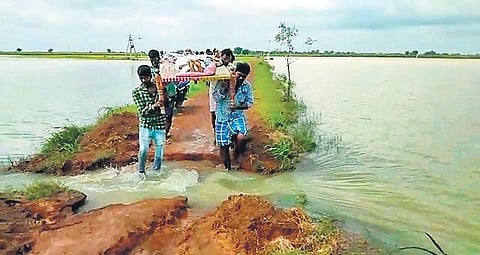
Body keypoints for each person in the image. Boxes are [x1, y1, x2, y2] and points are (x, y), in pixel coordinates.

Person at [132, 65, 167, 180]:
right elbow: (142, 111)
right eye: (141, 78)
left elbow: (170, 98)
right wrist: (154, 106)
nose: (143, 80)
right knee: (143, 150)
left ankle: (157, 172)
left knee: (159, 152)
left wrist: (164, 94)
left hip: (160, 124)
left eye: (145, 77)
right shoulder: (137, 92)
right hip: (146, 125)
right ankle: (141, 172)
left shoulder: (159, 88)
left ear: (150, 76)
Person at [229, 62, 253, 168]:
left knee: (241, 137)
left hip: (238, 115)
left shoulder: (247, 87)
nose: (241, 78)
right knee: (225, 141)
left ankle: (236, 158)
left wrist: (238, 107)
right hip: (225, 116)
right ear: (234, 72)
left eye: (244, 76)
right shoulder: (226, 83)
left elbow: (250, 103)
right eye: (239, 75)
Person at [148, 49, 176, 141]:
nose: (153, 61)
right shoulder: (150, 70)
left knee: (169, 115)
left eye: (155, 58)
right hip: (158, 95)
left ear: (158, 57)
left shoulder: (166, 66)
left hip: (169, 92)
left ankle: (165, 134)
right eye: (151, 59)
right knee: (157, 115)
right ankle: (159, 135)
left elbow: (173, 76)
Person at [209, 48, 235, 145]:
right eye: (225, 59)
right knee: (214, 114)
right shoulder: (214, 65)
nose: (226, 61)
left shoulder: (232, 66)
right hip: (214, 91)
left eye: (228, 59)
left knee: (228, 114)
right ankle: (216, 135)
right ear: (221, 57)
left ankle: (229, 135)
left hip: (227, 93)